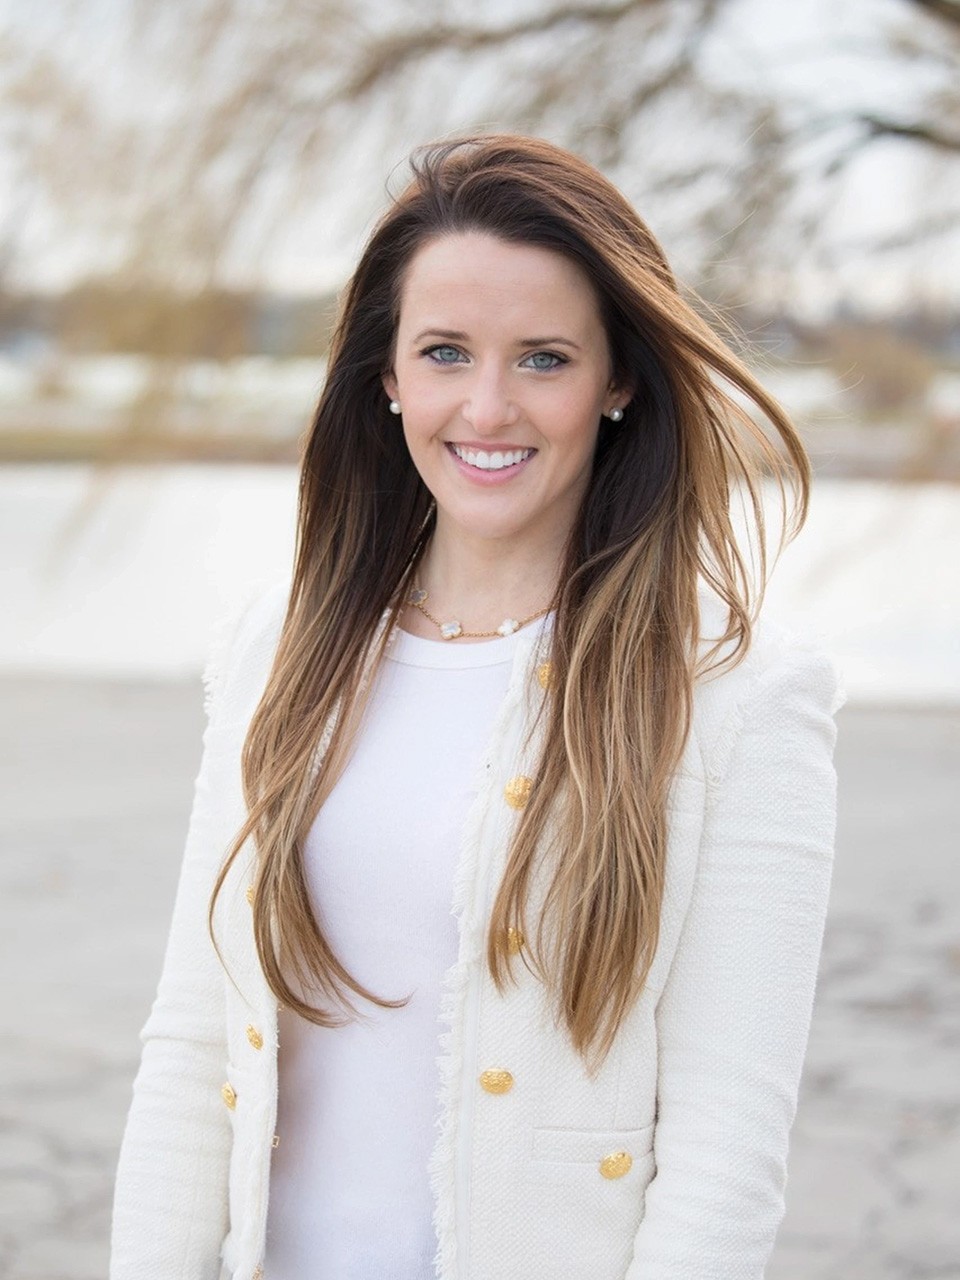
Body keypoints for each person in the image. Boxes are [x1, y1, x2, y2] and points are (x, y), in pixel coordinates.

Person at [110, 133, 843, 1280]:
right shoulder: (280, 644)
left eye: (544, 358)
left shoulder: (738, 693)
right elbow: (193, 1040)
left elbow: (726, 1144)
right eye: (445, 351)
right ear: (388, 374)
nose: (488, 407)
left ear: (618, 379)